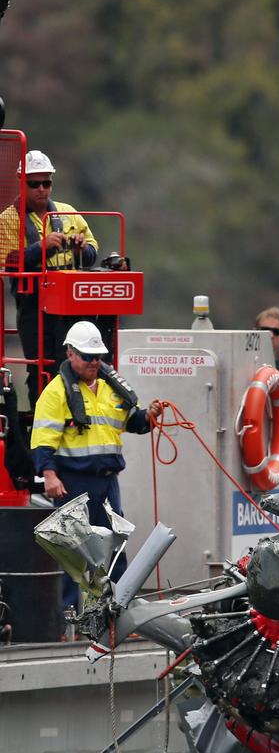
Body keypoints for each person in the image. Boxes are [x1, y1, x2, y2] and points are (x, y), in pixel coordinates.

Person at [31, 321, 162, 609]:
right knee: (73, 549)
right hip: (73, 483)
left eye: (98, 357)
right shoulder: (56, 393)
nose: (93, 362)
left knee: (115, 545)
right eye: (87, 356)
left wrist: (149, 417)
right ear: (70, 354)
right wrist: (50, 476)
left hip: (106, 483)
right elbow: (42, 439)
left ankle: (118, 609)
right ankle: (69, 616)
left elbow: (132, 422)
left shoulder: (111, 389)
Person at [0, 150, 110, 409]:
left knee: (77, 366)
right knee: (40, 367)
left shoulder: (68, 213)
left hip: (70, 306)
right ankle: (42, 420)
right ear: (21, 183)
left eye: (46, 183)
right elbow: (6, 262)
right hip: (33, 306)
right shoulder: (7, 220)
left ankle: (79, 414)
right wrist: (41, 247)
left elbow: (92, 252)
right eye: (34, 183)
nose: (41, 189)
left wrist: (82, 248)